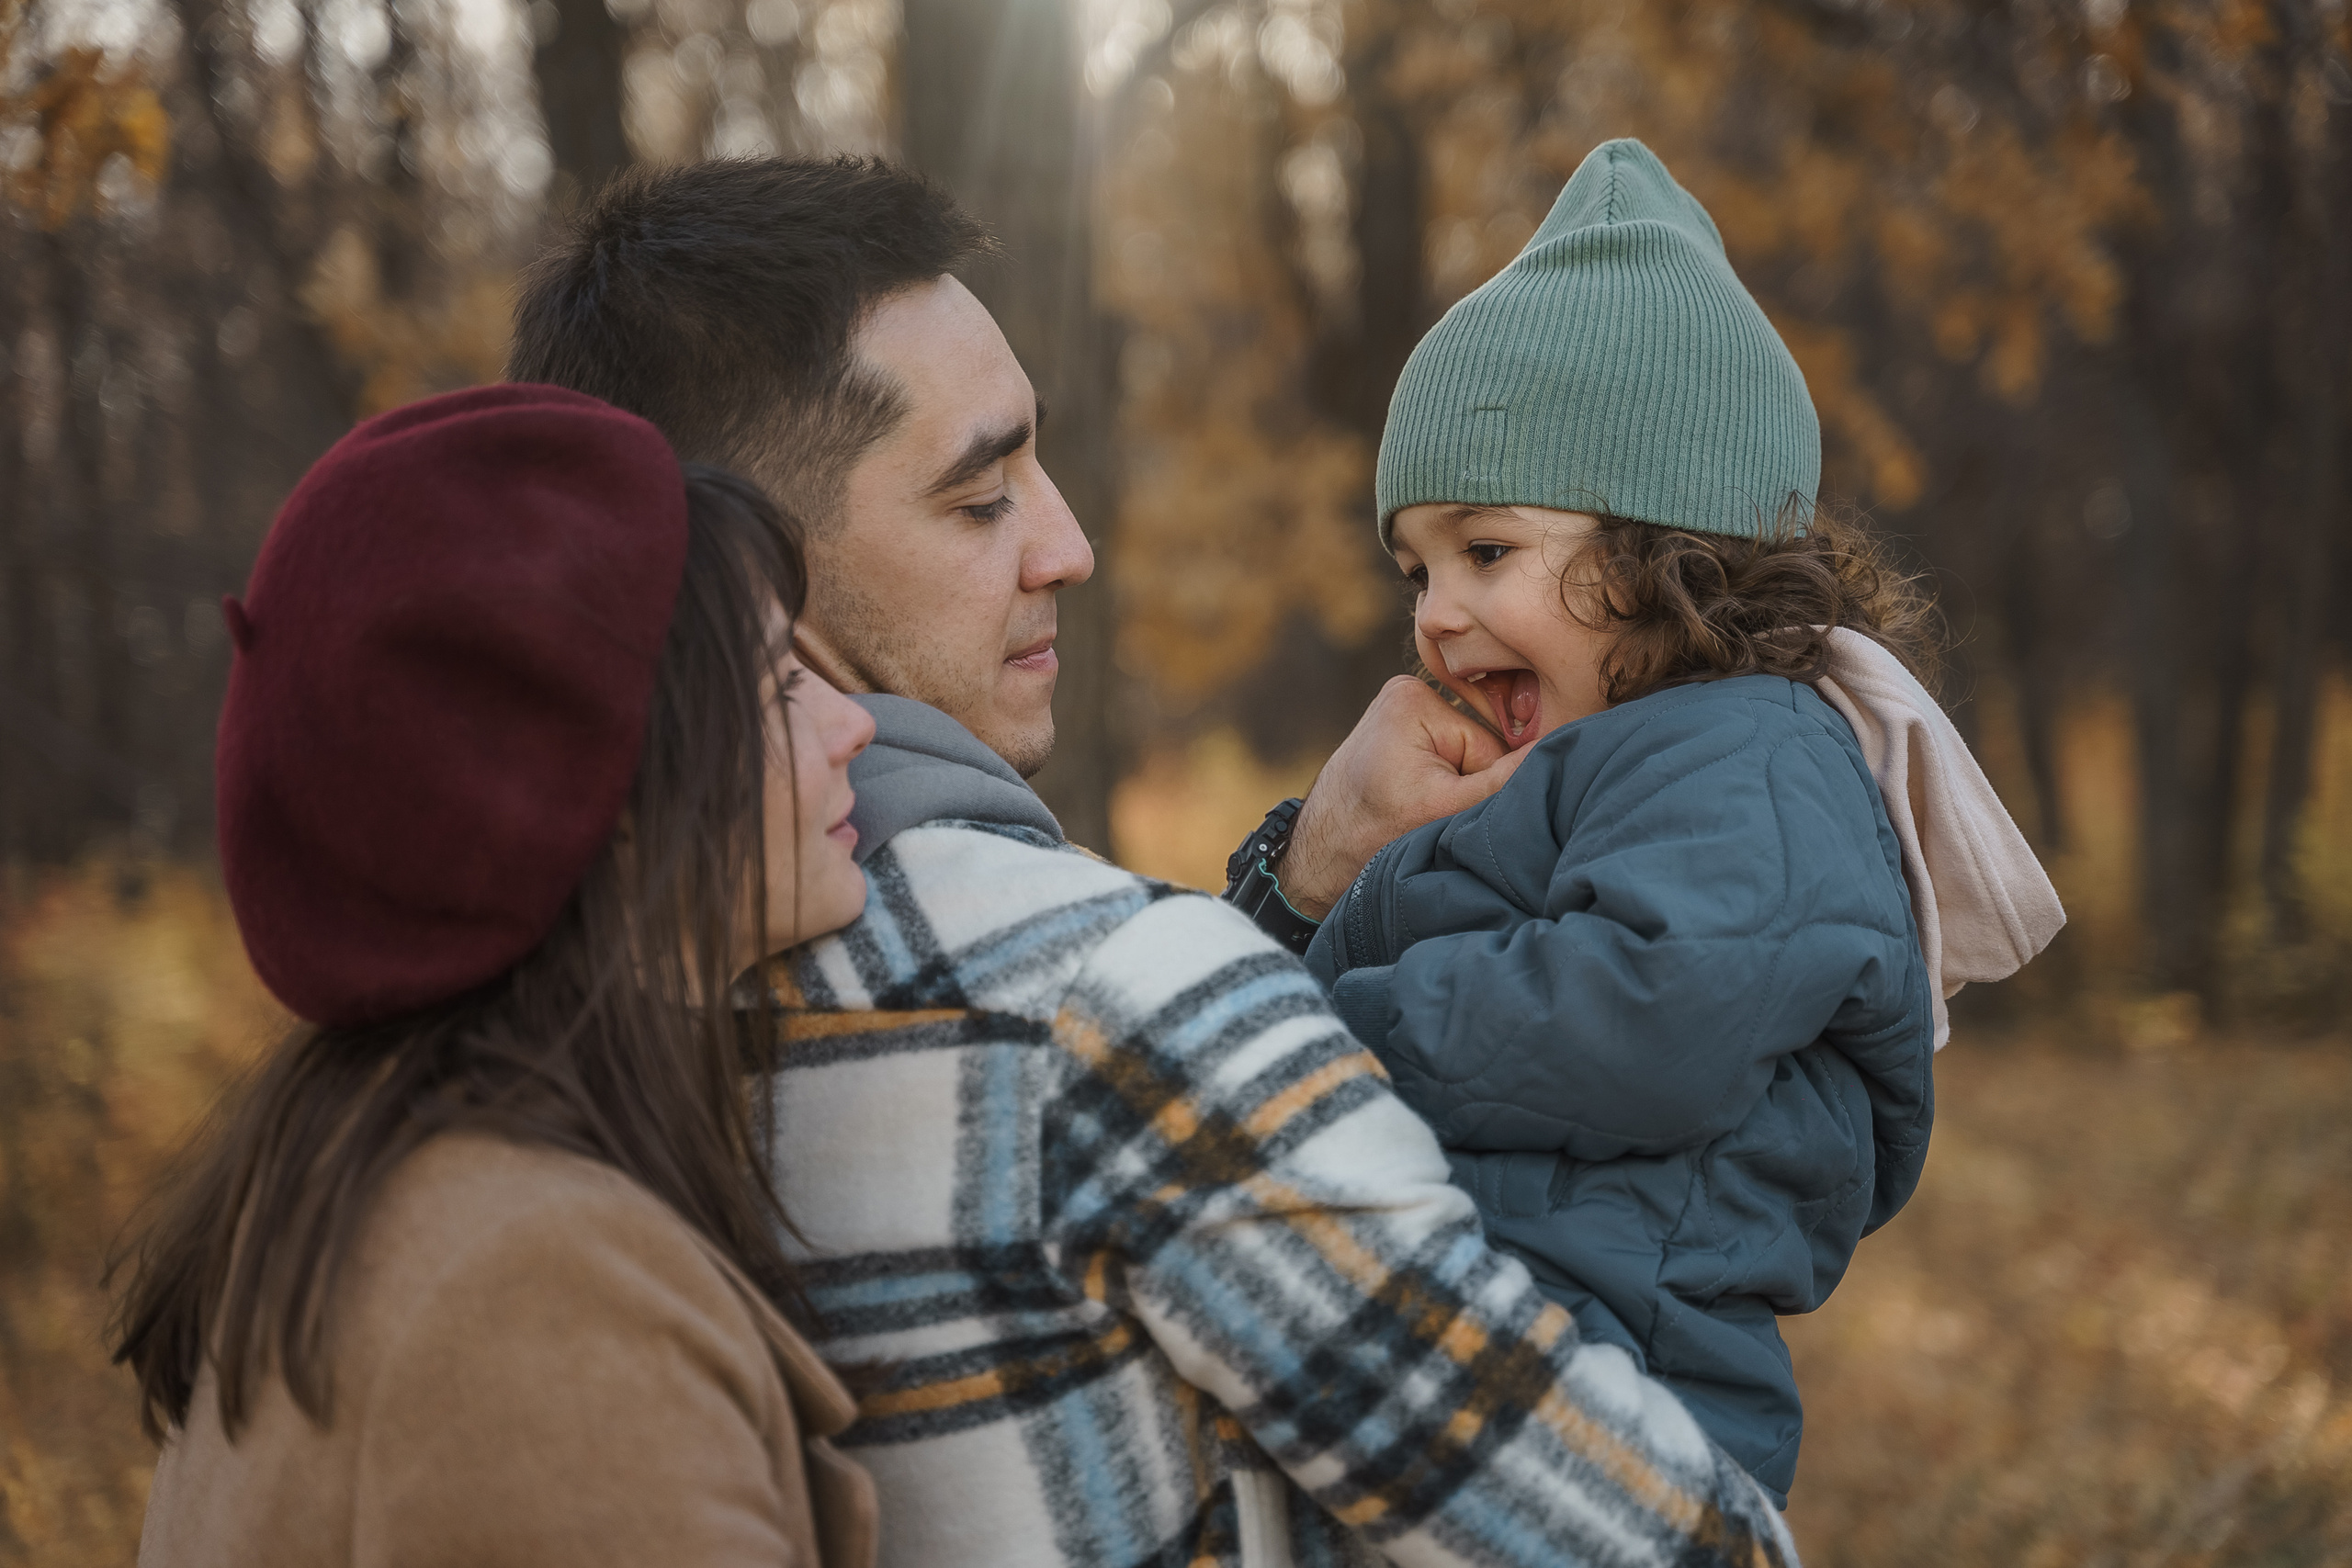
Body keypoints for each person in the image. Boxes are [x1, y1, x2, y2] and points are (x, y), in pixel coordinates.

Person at [509, 157, 1797, 1565]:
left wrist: (1303, 881)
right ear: (747, 564)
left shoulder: (533, 1007)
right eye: (981, 496)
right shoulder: (1103, 1014)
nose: (1070, 546)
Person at [1299, 139, 2067, 1506]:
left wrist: (1321, 1047)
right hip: (1483, 1362)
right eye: (1415, 570)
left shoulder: (1757, 755)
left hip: (1611, 1413)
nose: (1433, 615)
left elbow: (1651, 1005)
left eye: (1486, 550)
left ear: (1670, 552)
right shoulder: (1616, 768)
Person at [115, 384, 884, 1567]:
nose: (854, 724)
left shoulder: (357, 1183)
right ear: (611, 803)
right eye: (782, 686)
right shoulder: (540, 1294)